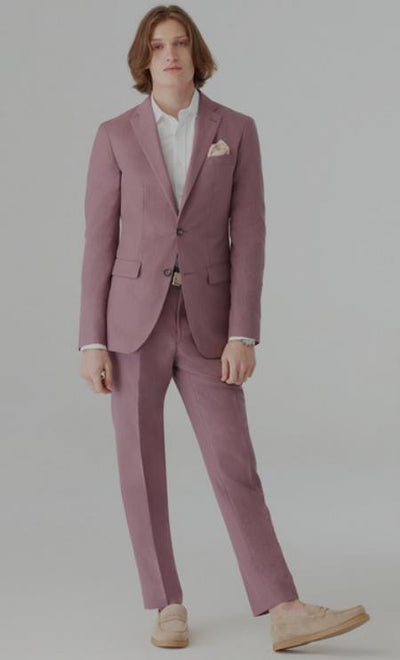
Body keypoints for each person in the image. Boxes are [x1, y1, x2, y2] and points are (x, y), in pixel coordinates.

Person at [78, 4, 370, 652]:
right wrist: (91, 340)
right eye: (159, 45)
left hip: (209, 325)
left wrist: (245, 332)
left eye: (180, 43)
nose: (170, 54)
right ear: (144, 58)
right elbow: (98, 241)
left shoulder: (235, 129)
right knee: (139, 468)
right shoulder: (115, 135)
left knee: (235, 463)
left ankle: (284, 607)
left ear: (196, 53)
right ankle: (165, 604)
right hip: (131, 325)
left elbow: (251, 235)